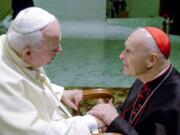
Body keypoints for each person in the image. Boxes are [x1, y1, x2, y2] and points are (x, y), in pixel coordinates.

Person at [0, 7, 104, 135]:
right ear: (28, 53)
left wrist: (59, 93)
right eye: (53, 49)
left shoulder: (12, 45)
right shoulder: (4, 82)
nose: (60, 50)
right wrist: (90, 121)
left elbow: (29, 80)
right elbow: (34, 131)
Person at [88, 27, 180, 135]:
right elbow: (127, 113)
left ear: (151, 60)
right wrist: (107, 114)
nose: (121, 56)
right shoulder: (144, 77)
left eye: (129, 51)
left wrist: (113, 120)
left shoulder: (175, 100)